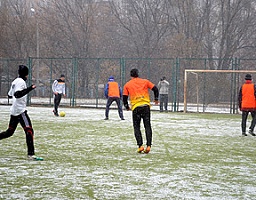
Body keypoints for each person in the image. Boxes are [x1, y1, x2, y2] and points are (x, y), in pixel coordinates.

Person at [0, 65, 43, 160]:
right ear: (26, 74)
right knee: (29, 130)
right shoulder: (21, 82)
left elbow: (9, 95)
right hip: (20, 111)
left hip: (14, 111)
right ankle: (31, 154)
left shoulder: (15, 81)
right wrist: (30, 88)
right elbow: (17, 94)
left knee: (9, 132)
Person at [123, 68, 159, 154]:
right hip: (146, 106)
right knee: (147, 126)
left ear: (131, 76)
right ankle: (149, 145)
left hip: (136, 107)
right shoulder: (145, 81)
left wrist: (127, 106)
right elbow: (155, 89)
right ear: (138, 74)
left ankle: (140, 146)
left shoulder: (127, 84)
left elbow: (124, 97)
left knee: (136, 127)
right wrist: (156, 99)